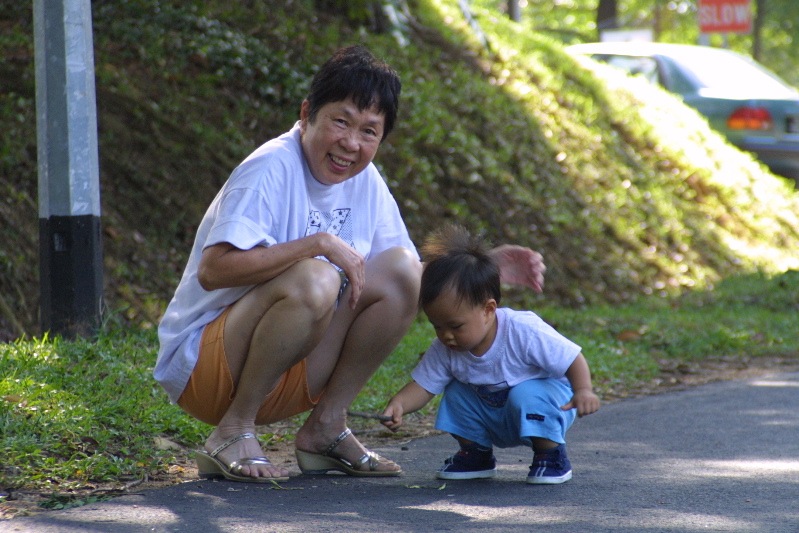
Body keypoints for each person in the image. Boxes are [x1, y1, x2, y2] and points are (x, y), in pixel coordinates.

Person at [155, 45, 546, 483]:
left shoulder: (364, 180)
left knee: (403, 275)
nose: (351, 143)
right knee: (317, 275)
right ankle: (232, 430)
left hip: (287, 368)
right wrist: (316, 244)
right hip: (207, 369)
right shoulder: (270, 168)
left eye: (369, 131)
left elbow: (406, 273)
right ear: (307, 113)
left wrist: (483, 267)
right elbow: (215, 271)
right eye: (340, 121)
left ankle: (326, 427)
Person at [382, 225, 599, 484]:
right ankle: (476, 454)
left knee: (526, 393)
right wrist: (399, 405)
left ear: (488, 309)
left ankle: (550, 454)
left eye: (455, 325)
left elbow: (572, 357)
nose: (446, 335)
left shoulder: (523, 330)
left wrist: (583, 390)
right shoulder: (445, 349)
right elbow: (424, 386)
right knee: (456, 394)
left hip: (548, 403)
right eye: (437, 326)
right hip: (494, 411)